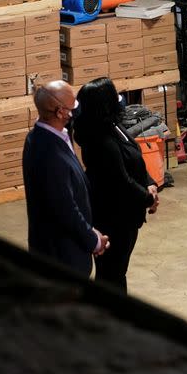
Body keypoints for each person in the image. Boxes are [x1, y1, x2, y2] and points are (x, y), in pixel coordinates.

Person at [74, 77, 159, 292]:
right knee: (112, 274)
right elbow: (121, 181)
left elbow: (133, 155)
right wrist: (148, 198)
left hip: (128, 213)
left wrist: (149, 182)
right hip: (113, 218)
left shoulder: (114, 126)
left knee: (117, 272)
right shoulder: (100, 141)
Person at [23, 80, 108, 275]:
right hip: (62, 256)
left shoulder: (44, 136)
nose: (75, 112)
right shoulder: (48, 154)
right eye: (73, 107)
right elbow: (65, 208)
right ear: (61, 112)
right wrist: (93, 240)